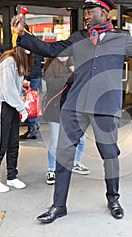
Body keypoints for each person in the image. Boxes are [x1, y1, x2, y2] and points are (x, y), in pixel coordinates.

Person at [11, 0, 132, 223]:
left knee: (110, 155)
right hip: (75, 105)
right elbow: (51, 50)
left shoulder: (121, 38)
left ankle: (113, 199)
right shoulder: (78, 37)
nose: (87, 16)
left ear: (104, 12)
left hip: (105, 106)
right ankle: (58, 205)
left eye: (91, 12)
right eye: (86, 12)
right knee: (64, 155)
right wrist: (23, 34)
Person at [0, 46, 33, 192]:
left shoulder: (18, 60)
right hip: (1, 104)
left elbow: (13, 87)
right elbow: (7, 90)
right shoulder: (9, 61)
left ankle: (12, 177)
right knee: (0, 144)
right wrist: (22, 108)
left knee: (13, 143)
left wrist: (23, 90)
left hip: (10, 105)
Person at [43, 57, 90, 185]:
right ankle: (51, 170)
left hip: (73, 109)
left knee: (81, 139)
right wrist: (70, 76)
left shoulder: (74, 63)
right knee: (55, 142)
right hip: (56, 109)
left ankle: (75, 163)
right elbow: (52, 86)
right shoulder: (50, 65)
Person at [19, 52, 43, 139]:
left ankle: (33, 126)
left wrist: (28, 78)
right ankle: (33, 127)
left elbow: (33, 67)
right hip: (34, 77)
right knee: (31, 102)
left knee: (29, 103)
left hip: (31, 79)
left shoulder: (32, 52)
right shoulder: (37, 50)